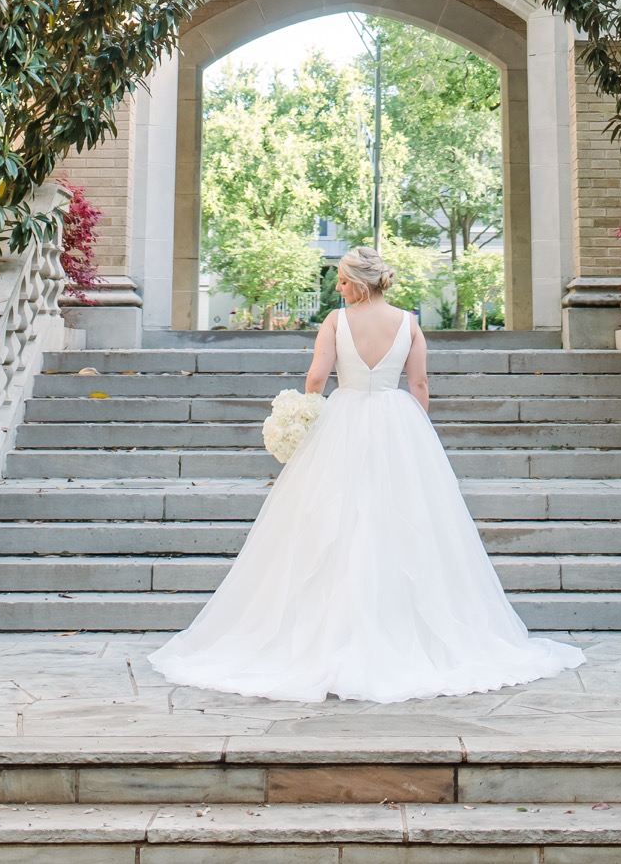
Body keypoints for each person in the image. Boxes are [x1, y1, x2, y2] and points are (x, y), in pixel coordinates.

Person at [147, 245, 585, 702]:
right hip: (399, 419)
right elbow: (419, 384)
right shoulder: (408, 322)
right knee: (405, 522)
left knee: (332, 519)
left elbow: (317, 377)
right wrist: (415, 434)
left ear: (357, 282)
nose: (336, 287)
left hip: (346, 417)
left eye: (339, 279)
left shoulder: (337, 322)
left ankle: (326, 634)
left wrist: (303, 414)